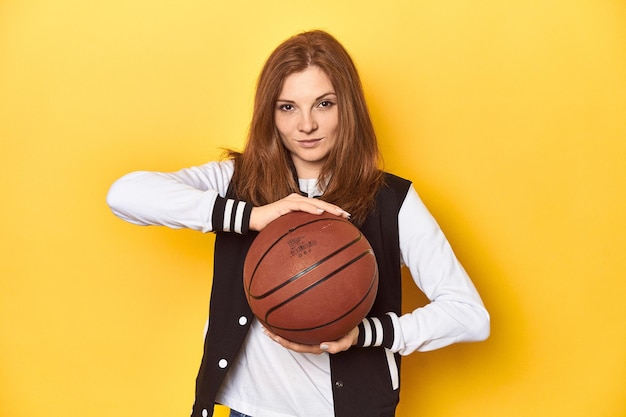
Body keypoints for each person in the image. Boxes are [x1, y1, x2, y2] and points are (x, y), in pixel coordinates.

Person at [107, 30, 490, 417]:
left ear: (349, 108)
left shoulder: (391, 200)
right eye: (287, 107)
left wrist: (366, 334)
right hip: (247, 412)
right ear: (269, 114)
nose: (306, 124)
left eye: (324, 104)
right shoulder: (237, 181)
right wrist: (251, 216)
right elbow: (123, 195)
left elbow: (469, 315)